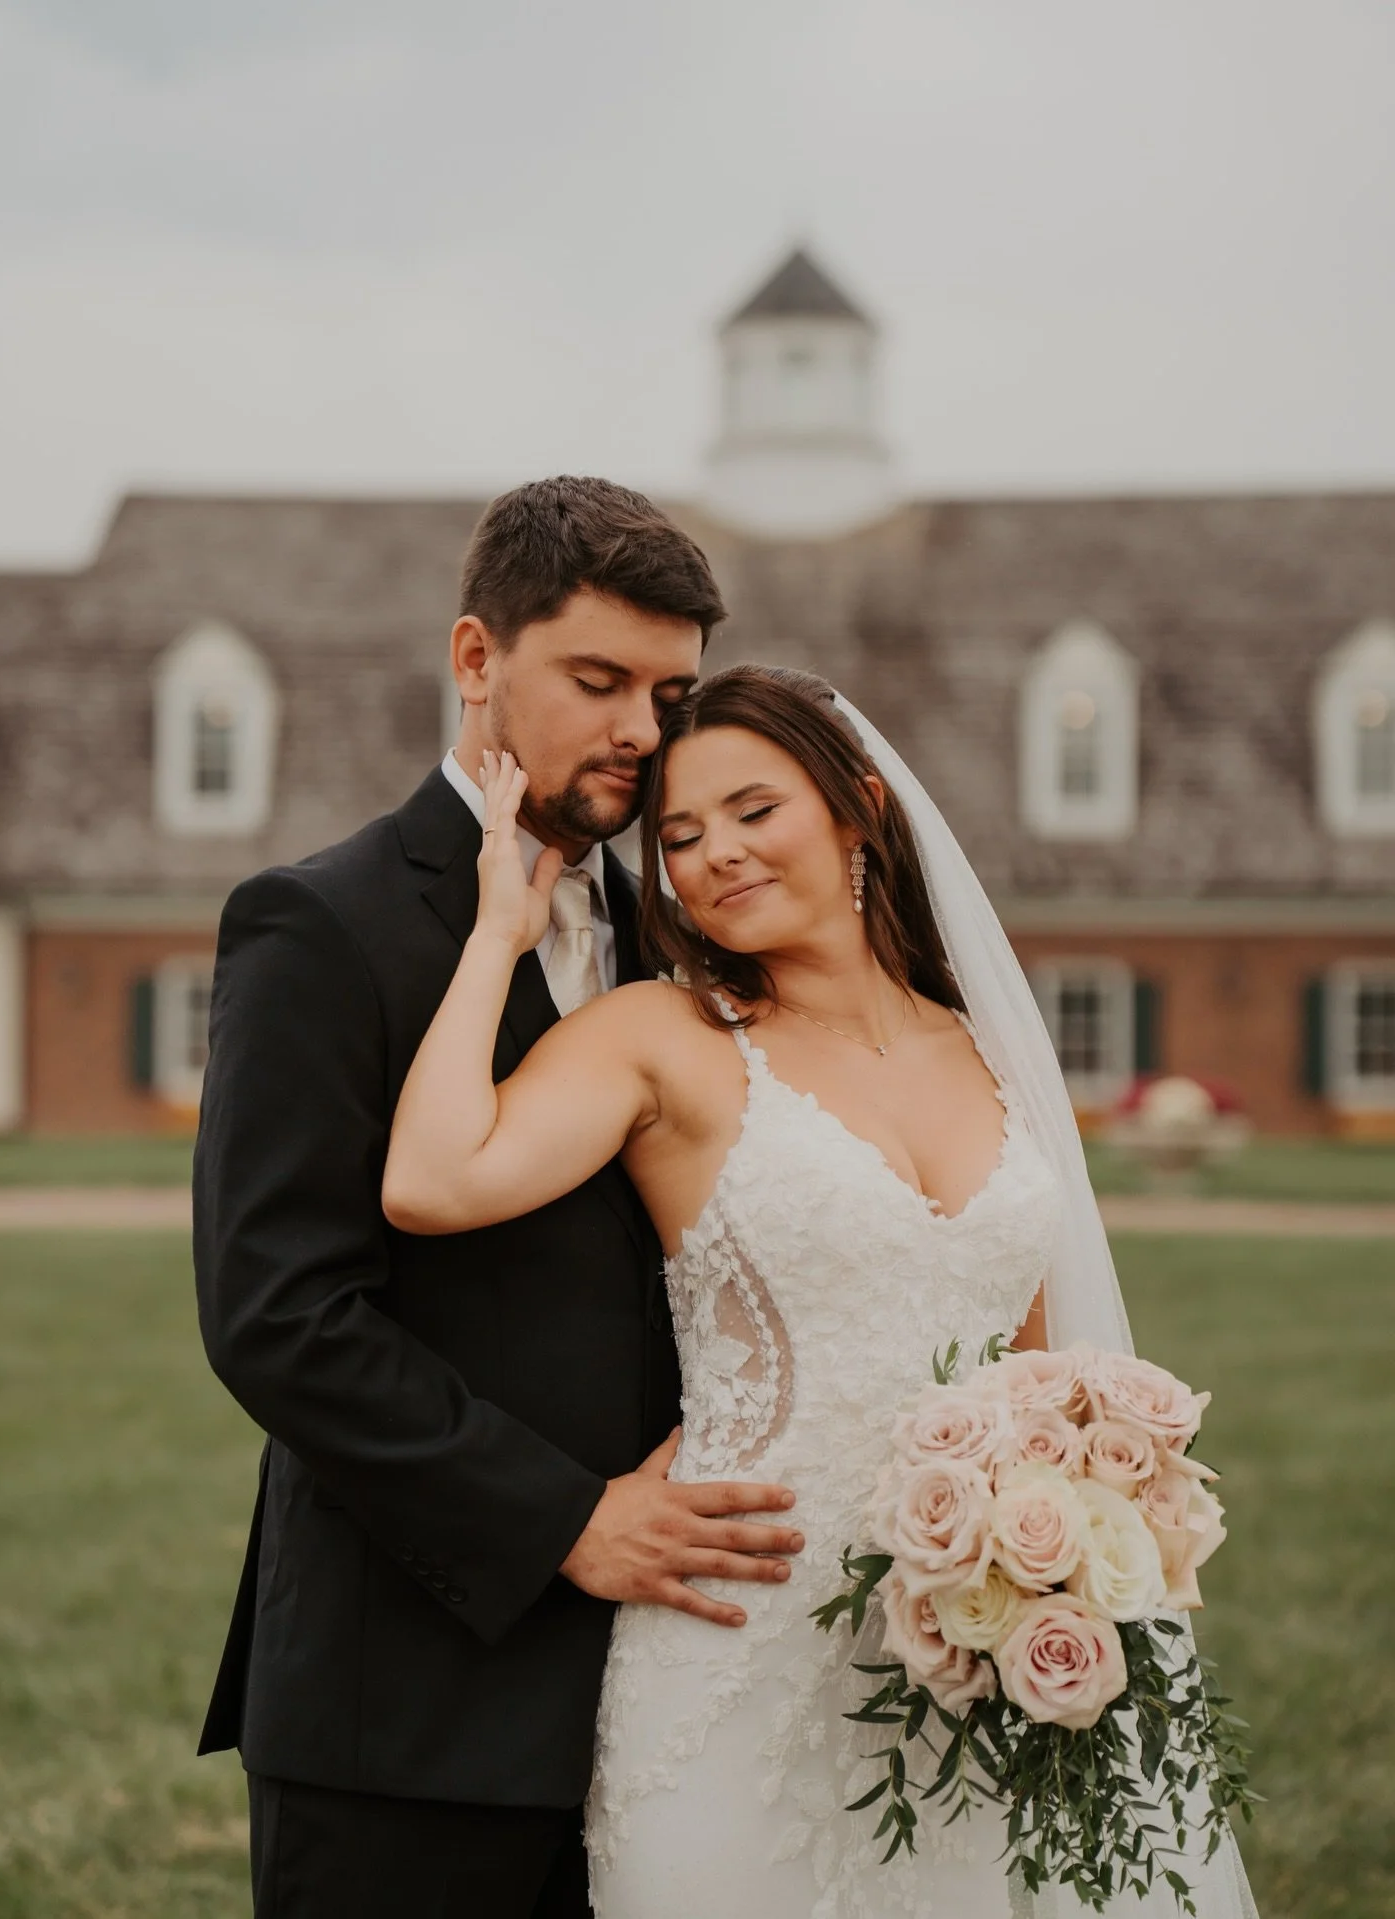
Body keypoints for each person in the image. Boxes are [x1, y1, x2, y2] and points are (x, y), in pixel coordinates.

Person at [383, 665, 1261, 1919]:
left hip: (981, 1635)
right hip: (740, 1642)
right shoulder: (664, 1036)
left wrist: (1062, 1559)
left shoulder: (991, 1048)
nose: (716, 855)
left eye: (755, 810)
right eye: (681, 836)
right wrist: (493, 939)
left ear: (860, 808)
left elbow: (1041, 1368)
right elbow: (430, 1179)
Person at [193, 479, 805, 1919]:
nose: (643, 730)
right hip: (405, 1714)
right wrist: (565, 1519)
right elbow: (279, 1316)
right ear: (477, 657)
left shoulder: (685, 930)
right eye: (599, 681)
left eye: (670, 693)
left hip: (675, 1704)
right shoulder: (317, 922)